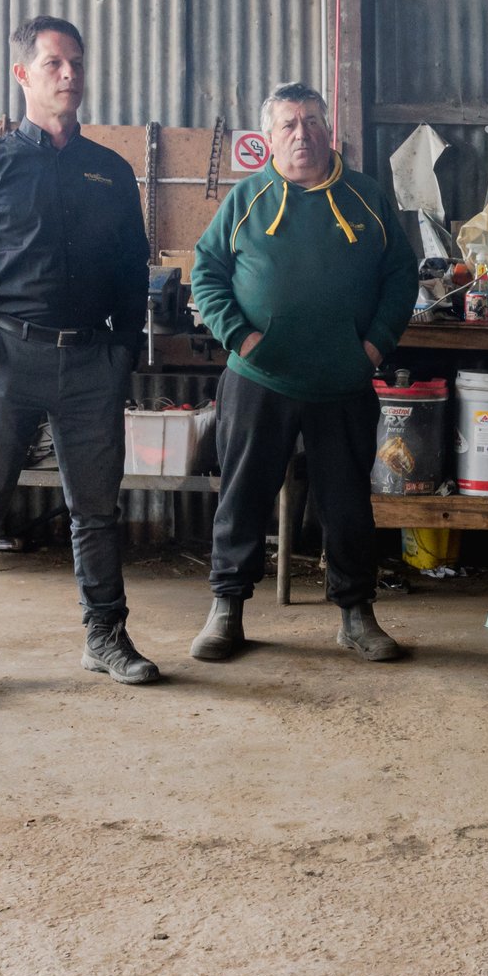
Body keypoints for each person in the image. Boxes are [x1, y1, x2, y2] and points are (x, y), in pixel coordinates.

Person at [0, 15, 155, 708]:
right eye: (54, 63)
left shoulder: (110, 172)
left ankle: (105, 636)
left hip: (90, 363)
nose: (70, 75)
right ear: (22, 74)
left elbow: (132, 270)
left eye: (77, 63)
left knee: (97, 510)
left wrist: (121, 348)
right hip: (7, 361)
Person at [189, 83, 417, 664]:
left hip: (342, 380)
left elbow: (400, 276)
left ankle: (357, 613)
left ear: (328, 128)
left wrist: (373, 346)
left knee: (346, 503)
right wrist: (241, 337)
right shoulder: (245, 200)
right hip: (259, 377)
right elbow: (207, 272)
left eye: (312, 121)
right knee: (242, 495)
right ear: (268, 138)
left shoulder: (367, 198)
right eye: (288, 124)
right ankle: (227, 609)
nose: (302, 134)